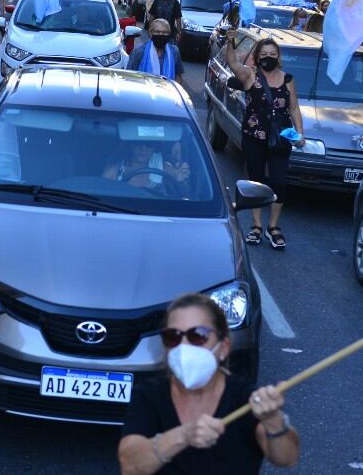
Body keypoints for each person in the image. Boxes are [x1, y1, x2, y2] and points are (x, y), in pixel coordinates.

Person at [118, 293, 299, 475]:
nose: (184, 347)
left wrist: (273, 420)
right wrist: (184, 435)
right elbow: (131, 466)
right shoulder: (149, 395)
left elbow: (286, 457)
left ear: (223, 348)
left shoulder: (245, 398)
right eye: (173, 336)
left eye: (198, 335)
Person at [226, 37, 305, 250]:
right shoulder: (250, 75)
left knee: (279, 181)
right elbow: (233, 63)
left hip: (280, 138)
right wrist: (230, 41)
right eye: (264, 54)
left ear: (278, 57)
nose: (268, 58)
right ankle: (257, 225)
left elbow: (294, 108)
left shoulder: (288, 79)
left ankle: (273, 226)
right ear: (258, 57)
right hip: (254, 138)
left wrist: (300, 134)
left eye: (273, 54)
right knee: (256, 181)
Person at [129, 19, 184, 83]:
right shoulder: (139, 51)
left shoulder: (174, 51)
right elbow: (129, 76)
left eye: (164, 32)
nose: (161, 35)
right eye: (157, 32)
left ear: (169, 34)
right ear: (151, 33)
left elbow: (178, 75)